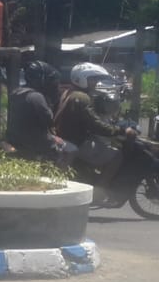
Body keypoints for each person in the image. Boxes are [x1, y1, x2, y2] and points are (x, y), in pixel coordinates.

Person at [53, 62, 138, 195]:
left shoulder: (69, 92)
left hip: (67, 137)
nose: (95, 83)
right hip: (76, 141)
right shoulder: (82, 97)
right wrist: (120, 130)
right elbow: (94, 124)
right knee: (116, 156)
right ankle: (99, 191)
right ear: (82, 79)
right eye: (92, 80)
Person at [5, 60, 70, 162]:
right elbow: (49, 119)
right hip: (34, 140)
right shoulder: (36, 96)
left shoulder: (16, 93)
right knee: (68, 149)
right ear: (41, 79)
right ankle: (59, 175)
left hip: (16, 137)